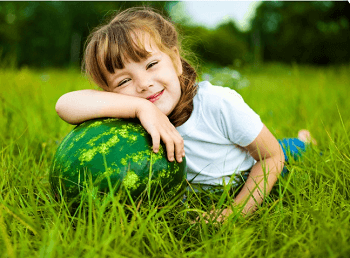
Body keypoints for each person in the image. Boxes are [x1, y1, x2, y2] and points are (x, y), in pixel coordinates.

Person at [55, 7, 315, 221]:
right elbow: (64, 105)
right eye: (123, 81)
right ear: (109, 93)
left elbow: (270, 157)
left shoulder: (217, 103)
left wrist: (236, 211)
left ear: (176, 61)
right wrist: (141, 107)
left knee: (288, 149)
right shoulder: (132, 115)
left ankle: (304, 139)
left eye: (151, 64)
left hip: (247, 170)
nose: (143, 84)